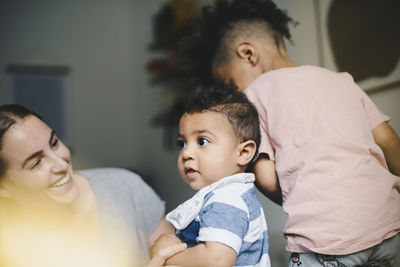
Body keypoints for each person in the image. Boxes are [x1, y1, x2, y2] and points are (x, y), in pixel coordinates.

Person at [180, 0, 400, 266]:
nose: (234, 95)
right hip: (388, 225)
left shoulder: (253, 97)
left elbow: (267, 178)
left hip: (327, 239)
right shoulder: (341, 80)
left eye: (230, 83)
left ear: (248, 53)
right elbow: (389, 141)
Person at [0, 104, 181, 267]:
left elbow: (181, 256)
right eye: (36, 163)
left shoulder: (126, 186)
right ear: (4, 188)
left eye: (54, 143)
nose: (62, 165)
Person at [151, 86, 271, 267]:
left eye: (202, 141)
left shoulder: (227, 199)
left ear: (243, 152)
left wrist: (166, 254)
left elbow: (216, 260)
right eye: (182, 143)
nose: (187, 153)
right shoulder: (223, 195)